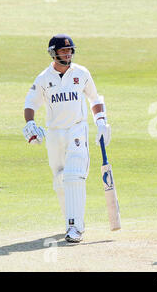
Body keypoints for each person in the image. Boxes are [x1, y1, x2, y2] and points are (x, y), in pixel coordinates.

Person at [23, 34, 111, 242]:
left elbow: (94, 99)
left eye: (70, 50)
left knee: (74, 176)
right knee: (60, 181)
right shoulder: (43, 78)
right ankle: (70, 221)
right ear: (54, 53)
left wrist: (101, 121)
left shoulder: (81, 73)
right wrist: (30, 123)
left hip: (76, 130)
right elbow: (30, 104)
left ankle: (76, 227)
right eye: (63, 51)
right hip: (55, 134)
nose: (67, 53)